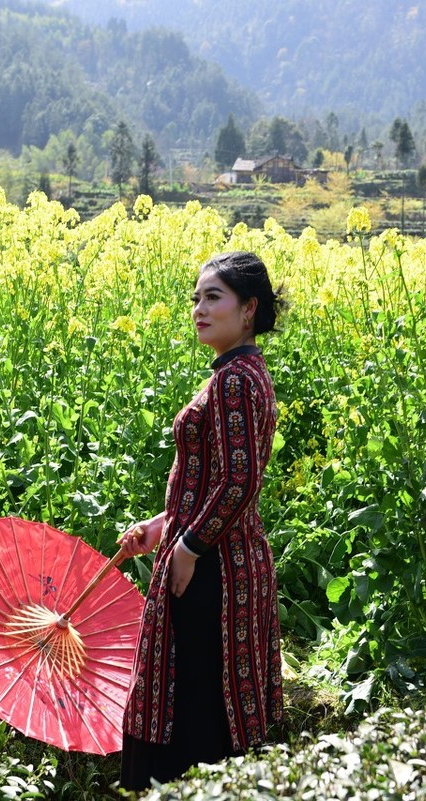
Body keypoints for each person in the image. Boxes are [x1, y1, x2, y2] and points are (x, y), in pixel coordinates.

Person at [116, 251, 285, 789]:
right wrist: (162, 526)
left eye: (214, 297)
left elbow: (239, 482)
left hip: (216, 571)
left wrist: (187, 547)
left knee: (196, 702)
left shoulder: (235, 380)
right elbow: (214, 483)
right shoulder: (237, 374)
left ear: (249, 309)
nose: (199, 308)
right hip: (217, 557)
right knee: (202, 698)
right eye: (196, 298)